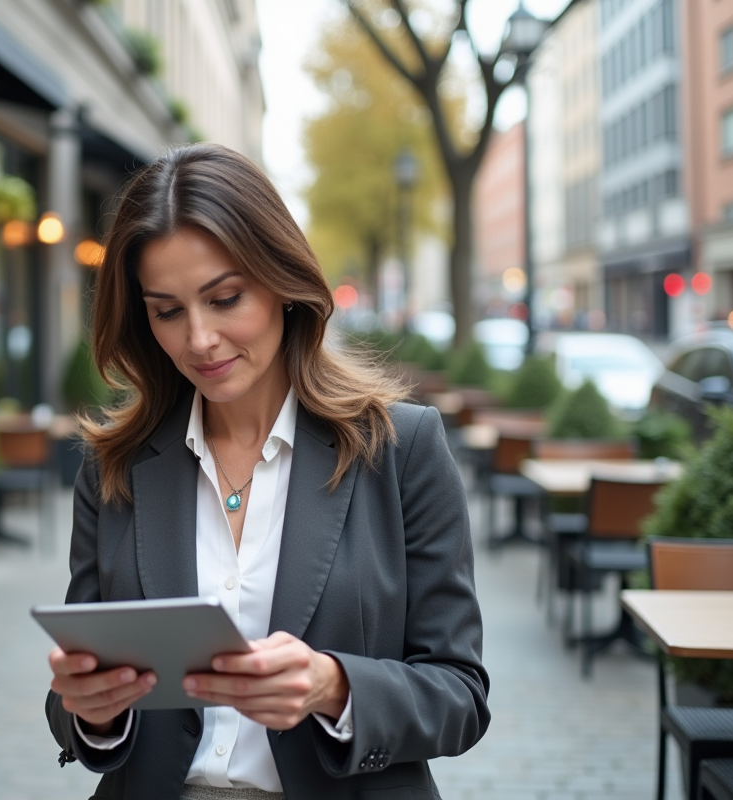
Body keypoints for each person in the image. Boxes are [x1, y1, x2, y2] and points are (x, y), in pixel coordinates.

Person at [45, 143, 489, 800]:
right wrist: (91, 710)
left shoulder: (400, 448)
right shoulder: (115, 467)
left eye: (225, 298)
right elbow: (72, 709)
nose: (198, 339)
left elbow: (460, 695)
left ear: (283, 282)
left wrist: (334, 687)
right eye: (167, 310)